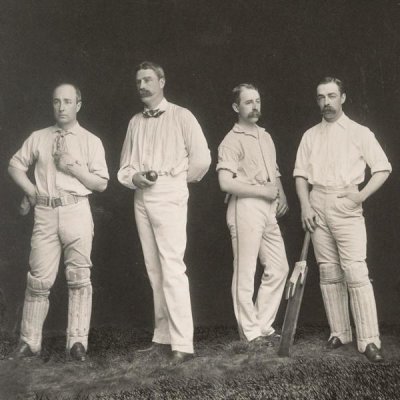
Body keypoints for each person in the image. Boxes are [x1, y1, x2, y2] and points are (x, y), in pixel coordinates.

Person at [118, 61, 211, 365]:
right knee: (153, 268)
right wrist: (134, 178)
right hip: (142, 197)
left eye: (147, 80)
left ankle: (183, 343)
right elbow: (126, 165)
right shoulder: (135, 122)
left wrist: (174, 182)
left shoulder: (182, 116)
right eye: (138, 81)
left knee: (172, 266)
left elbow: (202, 159)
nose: (142, 86)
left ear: (162, 82)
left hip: (169, 194)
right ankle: (163, 337)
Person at [8, 83, 109, 361]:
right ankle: (30, 343)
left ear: (78, 104)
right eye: (56, 102)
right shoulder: (38, 137)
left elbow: (101, 183)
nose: (61, 107)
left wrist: (73, 166)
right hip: (45, 211)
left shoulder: (91, 140)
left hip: (76, 209)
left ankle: (77, 343)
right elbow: (15, 164)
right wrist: (31, 191)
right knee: (39, 279)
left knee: (79, 277)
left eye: (67, 101)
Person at [294, 77, 391, 362]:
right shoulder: (310, 135)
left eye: (332, 96)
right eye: (321, 97)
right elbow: (300, 174)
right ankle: (340, 332)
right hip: (316, 202)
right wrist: (305, 206)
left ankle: (369, 340)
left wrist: (359, 197)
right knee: (328, 271)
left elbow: (383, 168)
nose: (327, 102)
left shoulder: (360, 132)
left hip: (345, 203)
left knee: (355, 271)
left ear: (343, 98)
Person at [216, 83, 289, 344]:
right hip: (244, 207)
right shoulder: (231, 140)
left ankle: (261, 324)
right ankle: (249, 332)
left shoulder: (265, 136)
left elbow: (274, 172)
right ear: (236, 107)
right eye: (248, 102)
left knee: (279, 267)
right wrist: (263, 192)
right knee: (246, 271)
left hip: (267, 206)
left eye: (257, 101)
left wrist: (281, 194)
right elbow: (225, 183)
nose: (255, 106)